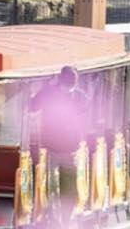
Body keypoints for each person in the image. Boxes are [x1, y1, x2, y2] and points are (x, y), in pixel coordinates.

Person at [31, 66, 88, 217]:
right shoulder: (77, 97)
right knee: (56, 188)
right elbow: (32, 106)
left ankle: (61, 221)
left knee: (62, 188)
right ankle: (57, 220)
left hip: (66, 150)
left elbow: (32, 106)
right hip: (56, 149)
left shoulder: (51, 93)